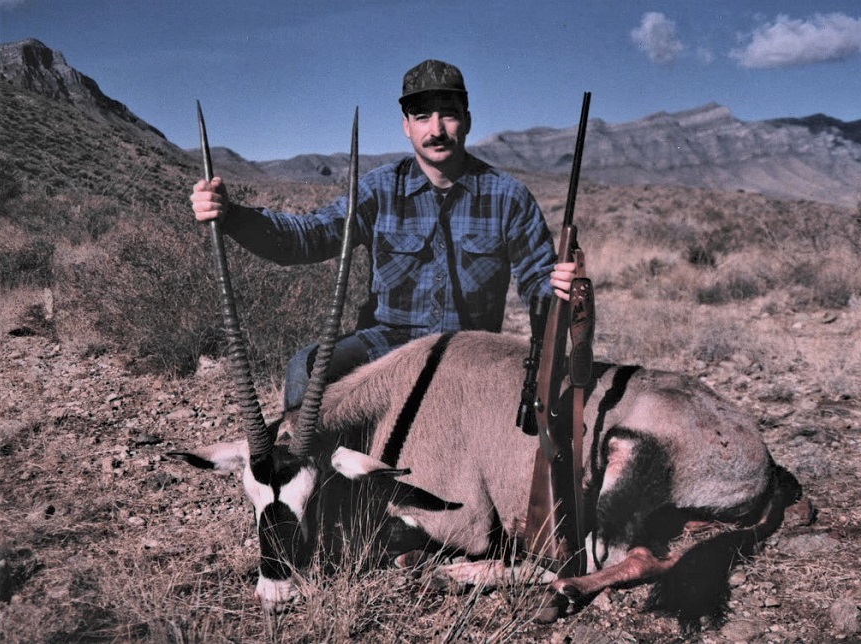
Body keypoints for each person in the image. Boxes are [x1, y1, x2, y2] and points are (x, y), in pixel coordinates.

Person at [190, 59, 576, 412]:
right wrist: (232, 216)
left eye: (449, 116)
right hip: (387, 344)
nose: (436, 130)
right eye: (422, 117)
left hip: (468, 352)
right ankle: (315, 483)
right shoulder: (377, 190)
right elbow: (306, 237)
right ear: (406, 126)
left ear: (468, 120)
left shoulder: (508, 197)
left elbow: (539, 284)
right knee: (304, 370)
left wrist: (561, 286)